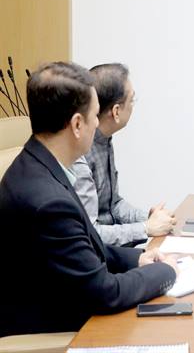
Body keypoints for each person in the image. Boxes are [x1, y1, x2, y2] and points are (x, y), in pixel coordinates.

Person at [0, 62, 178, 337]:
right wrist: (166, 272)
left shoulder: (40, 164)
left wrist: (139, 258)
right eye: (95, 115)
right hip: (49, 328)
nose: (98, 123)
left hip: (62, 301)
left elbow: (85, 246)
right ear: (77, 124)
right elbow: (106, 293)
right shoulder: (48, 202)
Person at [72, 63, 176, 246]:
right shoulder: (80, 153)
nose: (133, 106)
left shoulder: (104, 140)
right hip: (98, 254)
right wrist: (145, 227)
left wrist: (149, 218)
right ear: (116, 111)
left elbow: (113, 206)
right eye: (132, 100)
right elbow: (90, 233)